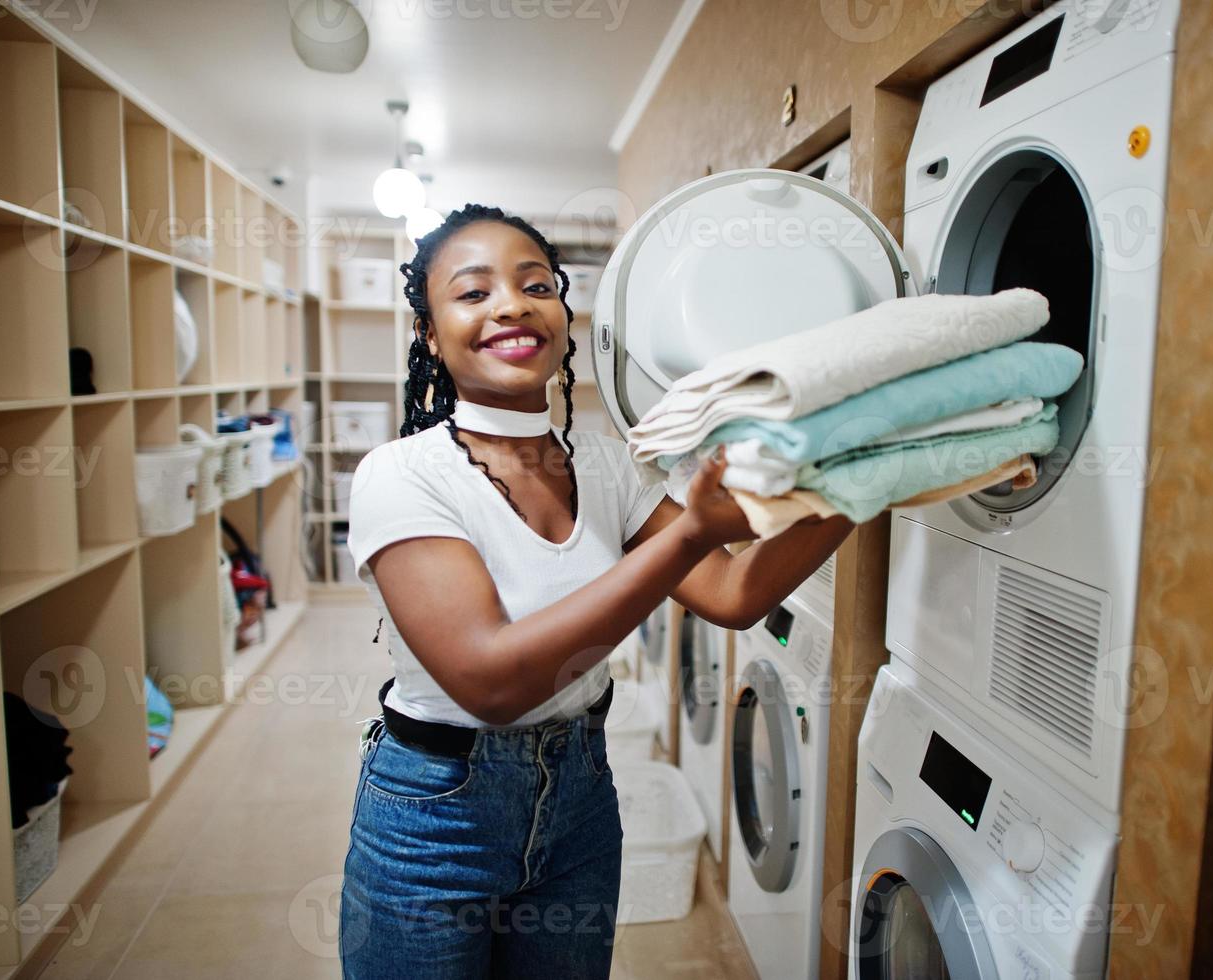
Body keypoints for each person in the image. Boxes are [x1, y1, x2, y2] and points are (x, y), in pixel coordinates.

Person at [339, 203, 853, 979]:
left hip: (579, 795)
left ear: (561, 313)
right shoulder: (403, 475)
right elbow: (491, 683)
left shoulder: (609, 466)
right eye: (472, 293)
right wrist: (687, 534)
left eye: (535, 285)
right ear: (430, 334)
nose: (511, 305)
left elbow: (733, 593)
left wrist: (868, 474)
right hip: (436, 817)